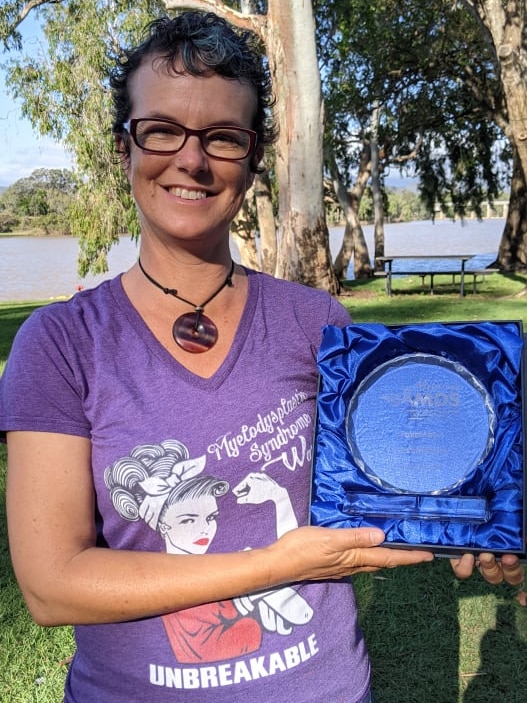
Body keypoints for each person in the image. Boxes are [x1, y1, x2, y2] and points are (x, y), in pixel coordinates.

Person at [1, 10, 440, 703]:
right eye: (162, 129)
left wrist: (474, 520)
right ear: (125, 149)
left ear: (253, 158)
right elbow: (53, 585)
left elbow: (386, 483)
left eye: (222, 138)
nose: (192, 159)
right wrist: (270, 564)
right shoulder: (60, 344)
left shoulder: (316, 320)